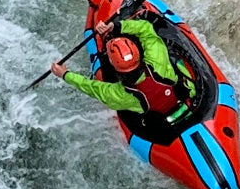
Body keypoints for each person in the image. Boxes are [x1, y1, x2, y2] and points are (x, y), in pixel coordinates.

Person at [51, 18, 197, 124]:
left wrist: (65, 74)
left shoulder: (120, 95)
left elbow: (90, 87)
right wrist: (116, 26)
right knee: (171, 56)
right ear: (138, 55)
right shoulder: (157, 62)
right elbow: (146, 29)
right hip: (188, 101)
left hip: (162, 123)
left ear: (114, 66)